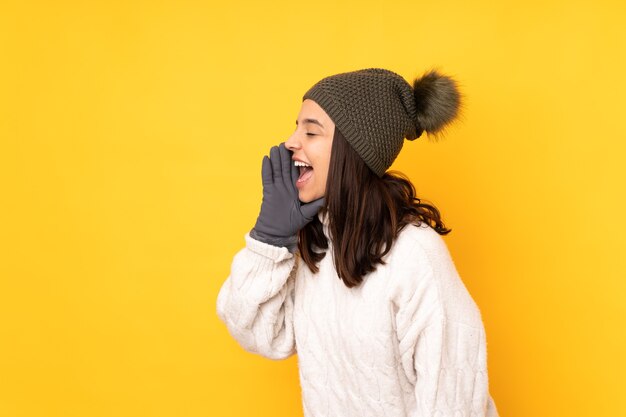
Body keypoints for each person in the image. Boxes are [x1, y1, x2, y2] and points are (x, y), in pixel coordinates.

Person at [216, 67, 500, 417]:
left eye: (311, 132)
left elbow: (454, 400)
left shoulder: (414, 254)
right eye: (296, 128)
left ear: (353, 150)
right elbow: (258, 333)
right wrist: (269, 239)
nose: (291, 142)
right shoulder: (315, 247)